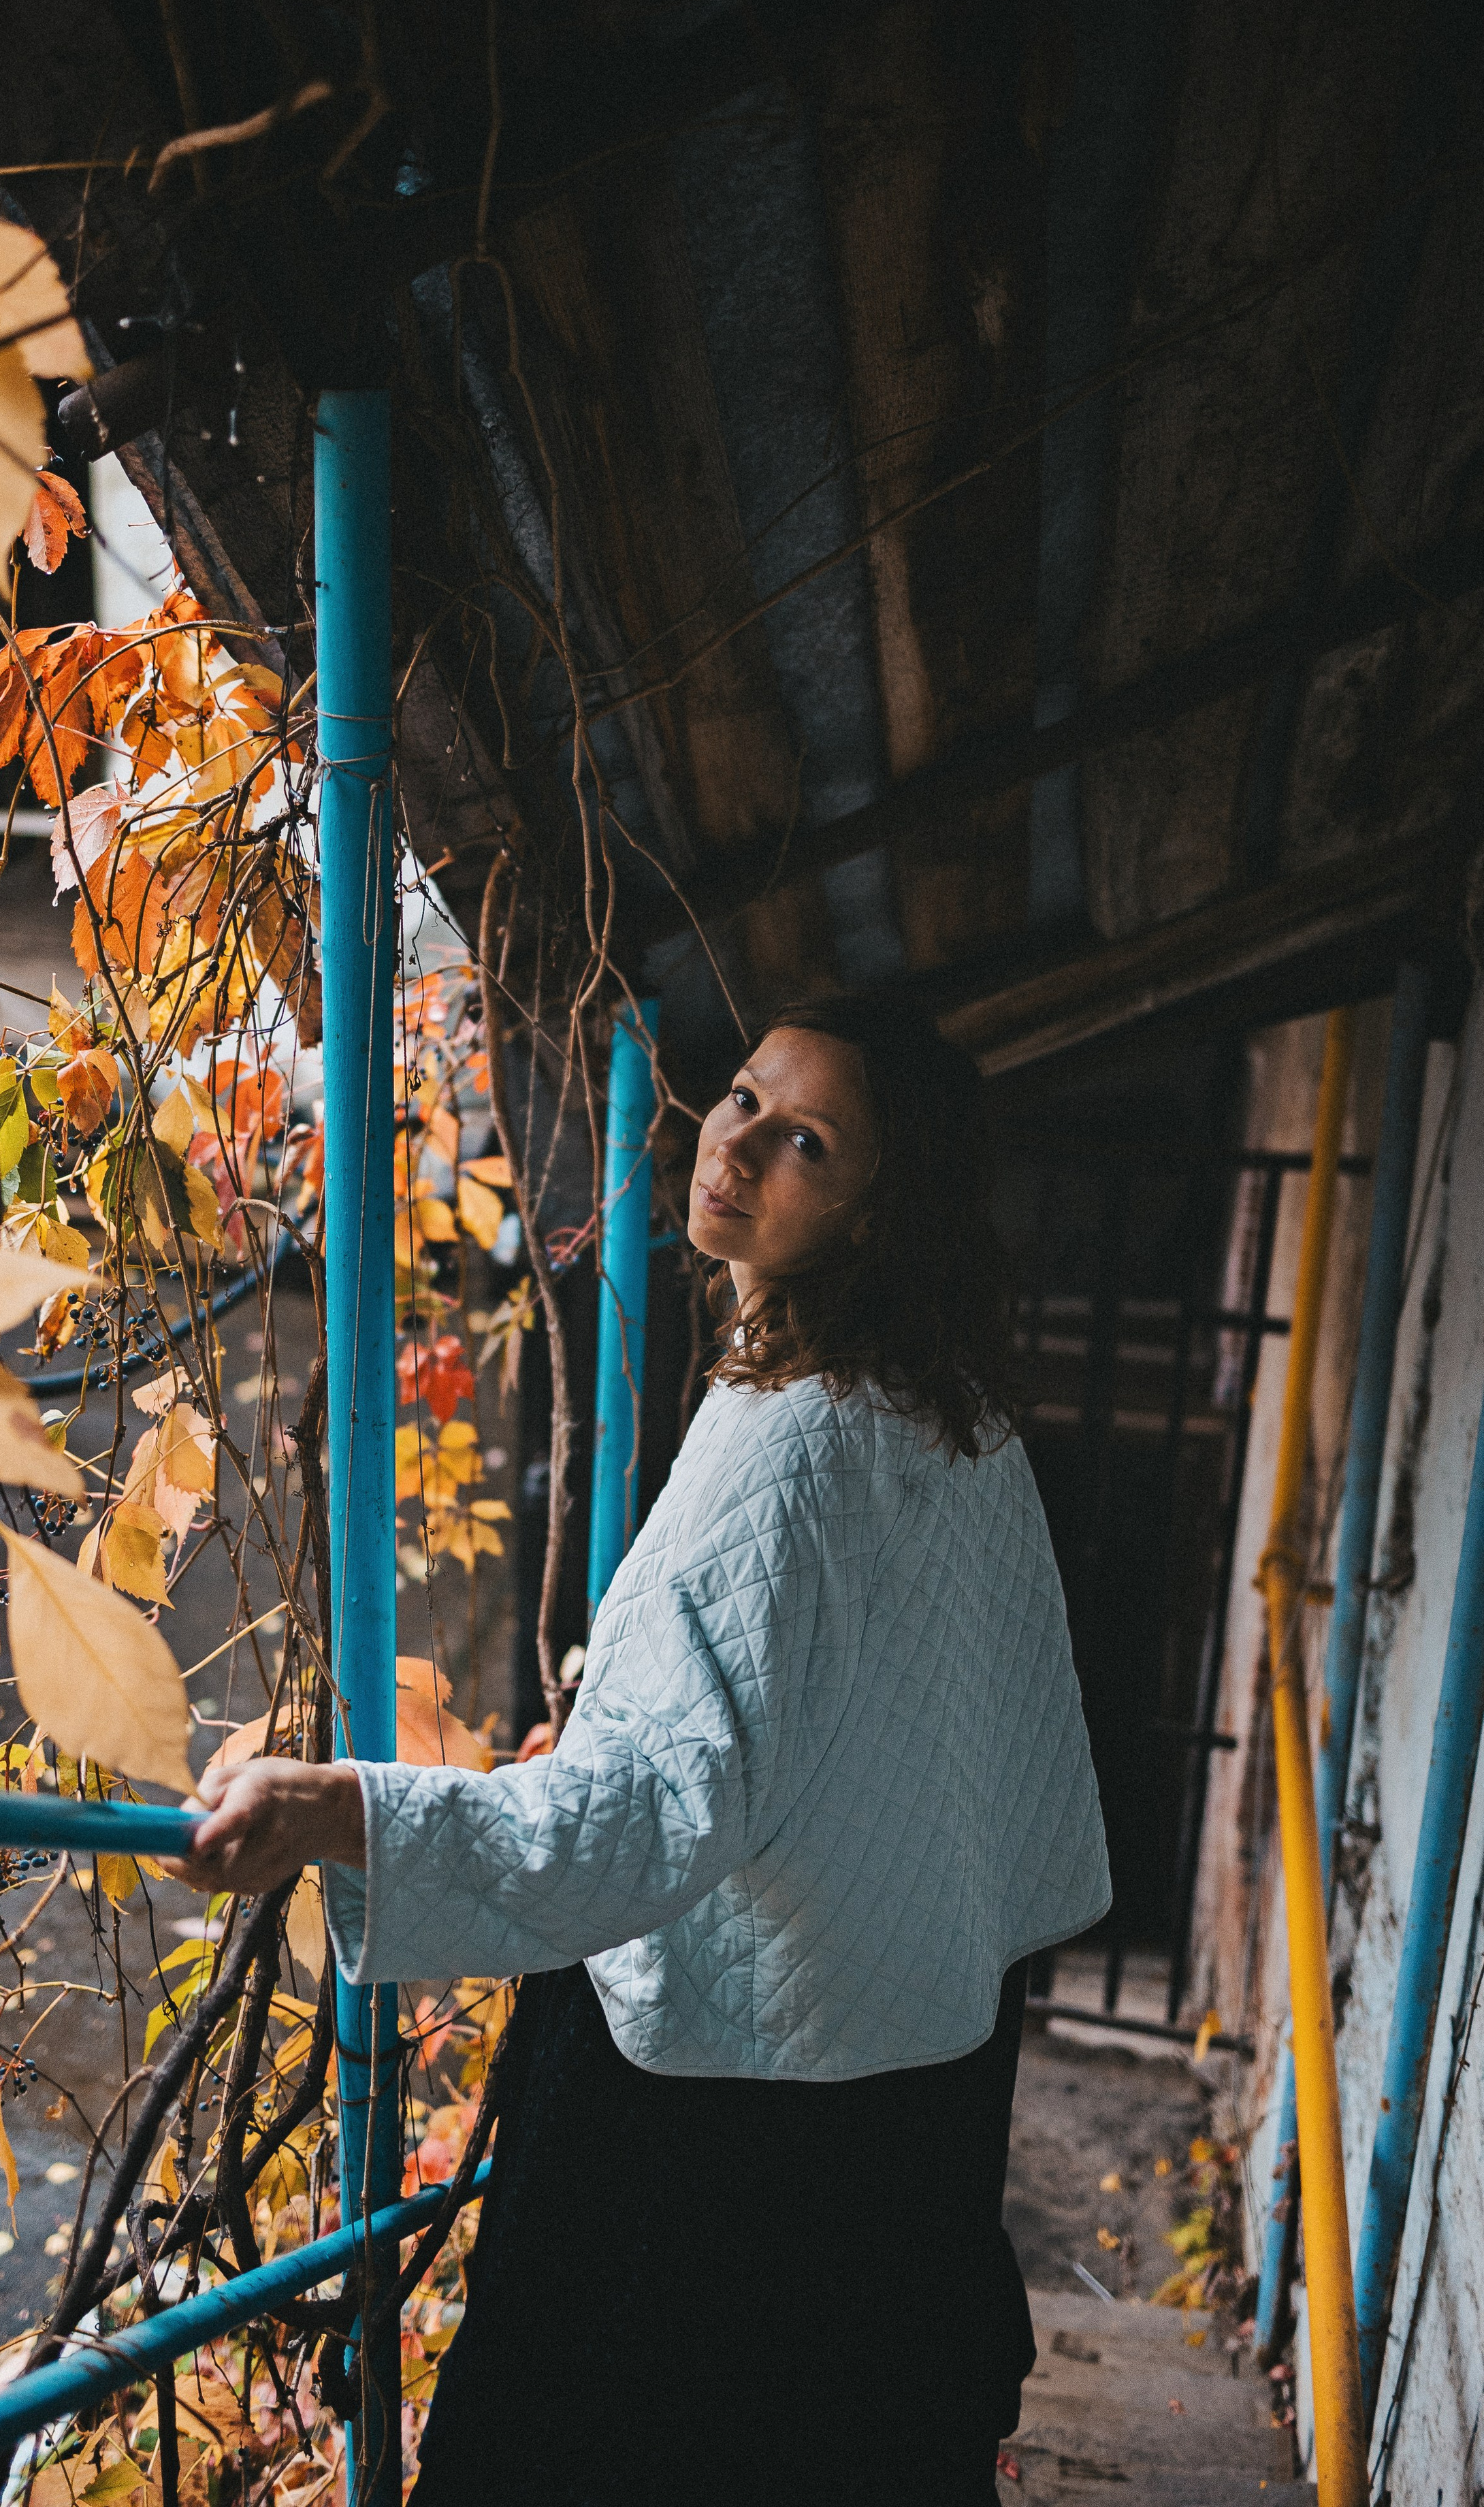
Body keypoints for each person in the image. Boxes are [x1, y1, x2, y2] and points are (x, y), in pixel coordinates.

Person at [170, 986, 1110, 2504]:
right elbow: (950, 1757)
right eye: (741, 1098)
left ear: (874, 1215)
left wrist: (341, 1804)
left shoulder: (789, 1442)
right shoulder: (962, 1425)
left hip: (724, 2127)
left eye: (802, 1140)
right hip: (913, 2085)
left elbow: (638, 1817)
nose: (735, 1147)